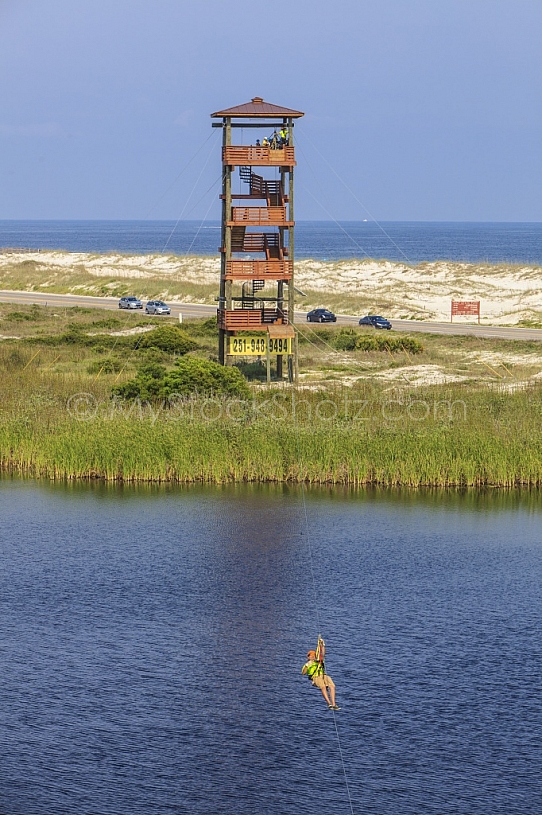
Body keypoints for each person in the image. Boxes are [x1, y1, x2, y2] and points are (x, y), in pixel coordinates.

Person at [302, 643, 340, 710]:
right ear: (308, 657)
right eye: (311, 656)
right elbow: (303, 673)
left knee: (332, 686)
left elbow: (323, 653)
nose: (313, 657)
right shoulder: (307, 664)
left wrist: (322, 645)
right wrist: (308, 665)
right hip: (316, 677)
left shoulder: (319, 661)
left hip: (323, 675)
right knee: (323, 687)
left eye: (313, 655)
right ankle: (329, 703)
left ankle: (334, 704)